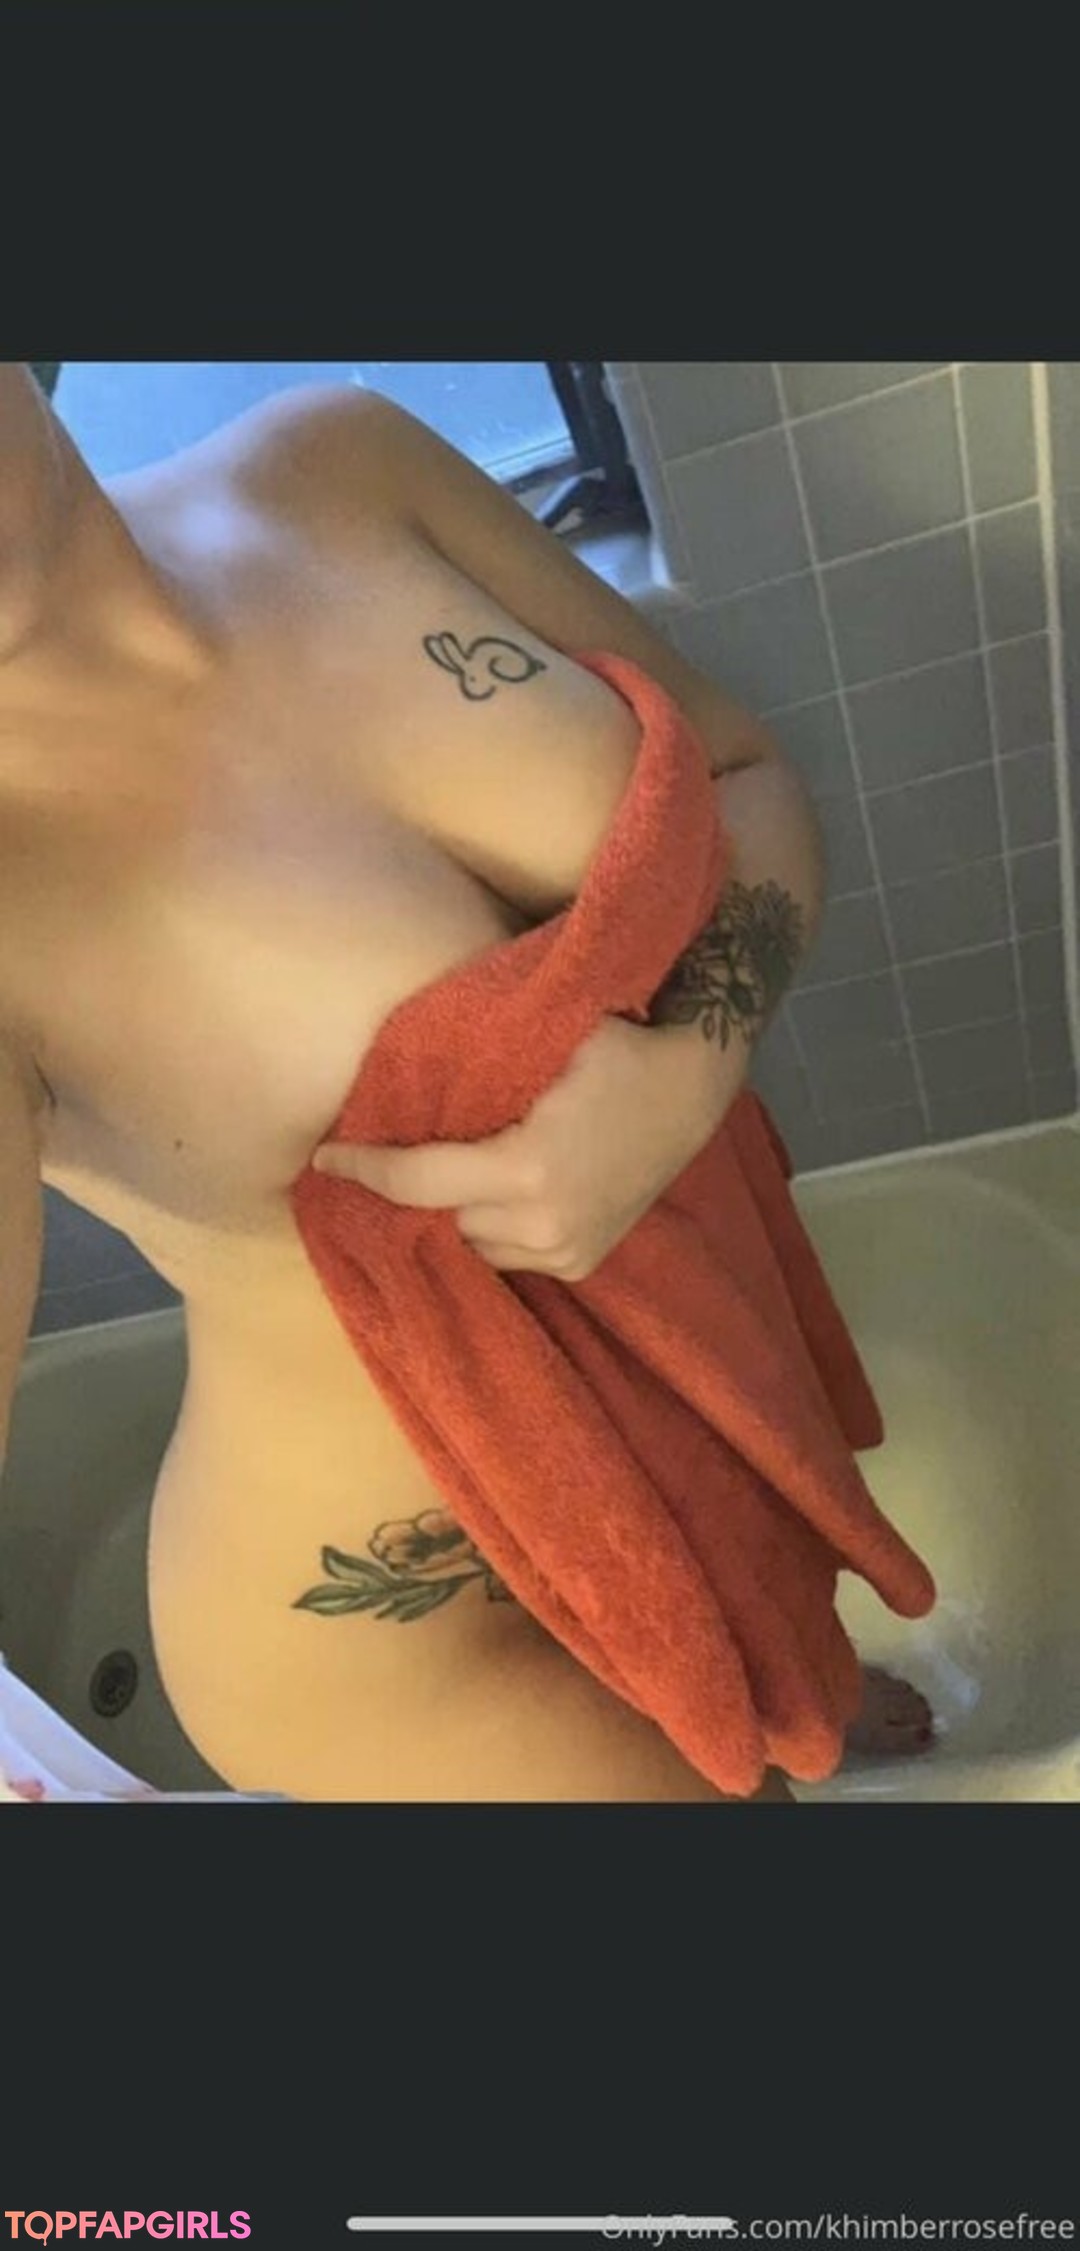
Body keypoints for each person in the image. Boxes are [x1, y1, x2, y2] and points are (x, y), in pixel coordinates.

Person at [0, 363, 931, 1801]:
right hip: (409, 1643)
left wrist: (685, 1075)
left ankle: (775, 1679)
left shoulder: (341, 461)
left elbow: (745, 774)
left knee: (778, 1698)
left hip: (677, 1414)